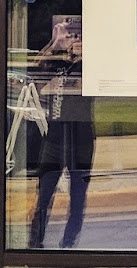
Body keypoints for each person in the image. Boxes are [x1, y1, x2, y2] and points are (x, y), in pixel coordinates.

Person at [27, 25, 94, 249]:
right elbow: (33, 72)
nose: (75, 41)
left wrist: (87, 53)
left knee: (78, 197)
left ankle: (69, 244)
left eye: (79, 37)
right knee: (44, 194)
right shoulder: (58, 64)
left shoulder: (89, 65)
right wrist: (54, 44)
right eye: (72, 36)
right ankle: (35, 242)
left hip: (82, 139)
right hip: (55, 137)